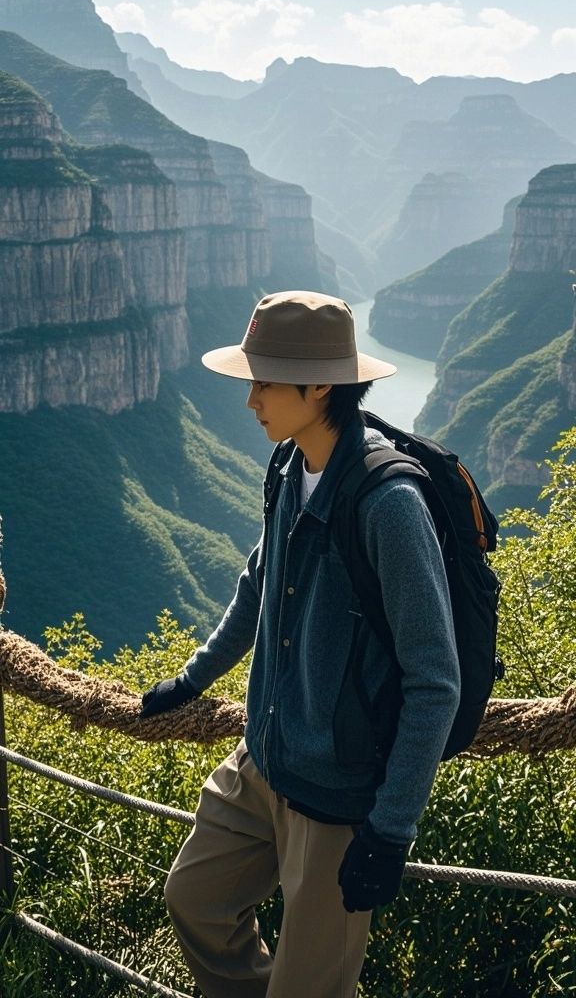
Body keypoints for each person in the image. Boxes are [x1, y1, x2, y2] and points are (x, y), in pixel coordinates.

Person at [140, 290, 460, 998]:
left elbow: (435, 680)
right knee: (195, 899)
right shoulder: (289, 465)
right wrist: (193, 681)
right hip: (265, 757)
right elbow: (260, 583)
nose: (251, 398)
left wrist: (389, 831)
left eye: (265, 380)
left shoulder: (388, 505)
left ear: (321, 387)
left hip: (338, 795)